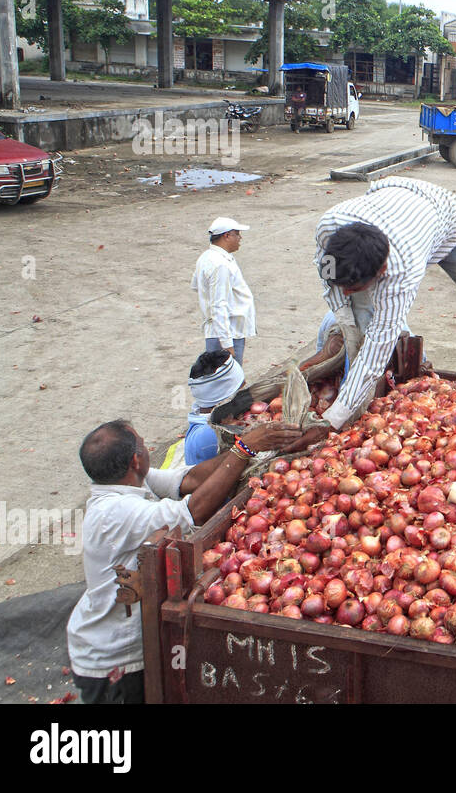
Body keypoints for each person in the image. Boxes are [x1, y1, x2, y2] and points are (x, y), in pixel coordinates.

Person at [66, 417, 301, 703]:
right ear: (135, 461)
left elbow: (191, 480)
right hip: (114, 658)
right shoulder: (115, 513)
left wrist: (250, 445)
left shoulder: (131, 482)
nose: (146, 446)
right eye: (142, 443)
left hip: (136, 642)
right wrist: (244, 449)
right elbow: (194, 512)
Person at [309, 176, 456, 434]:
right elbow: (331, 282)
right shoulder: (329, 226)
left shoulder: (402, 268)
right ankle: (415, 371)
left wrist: (332, 420)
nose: (347, 292)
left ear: (382, 271)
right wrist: (347, 322)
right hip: (397, 202)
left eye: (354, 288)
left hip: (448, 222)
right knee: (361, 318)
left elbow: (380, 340)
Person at [192, 217, 255, 365]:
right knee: (227, 382)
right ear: (227, 236)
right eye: (237, 234)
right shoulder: (221, 265)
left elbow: (196, 285)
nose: (240, 238)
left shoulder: (207, 257)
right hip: (226, 333)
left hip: (220, 331)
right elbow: (218, 305)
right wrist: (227, 344)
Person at [182, 349, 246, 465]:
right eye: (241, 388)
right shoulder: (211, 434)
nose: (245, 391)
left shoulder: (206, 417)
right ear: (226, 397)